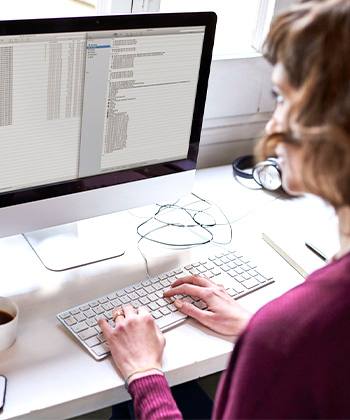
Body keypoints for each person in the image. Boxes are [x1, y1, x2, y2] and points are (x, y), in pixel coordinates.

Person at [99, 0, 350, 418]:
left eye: (284, 101)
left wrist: (143, 375)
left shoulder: (296, 334)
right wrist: (256, 332)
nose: (271, 127)